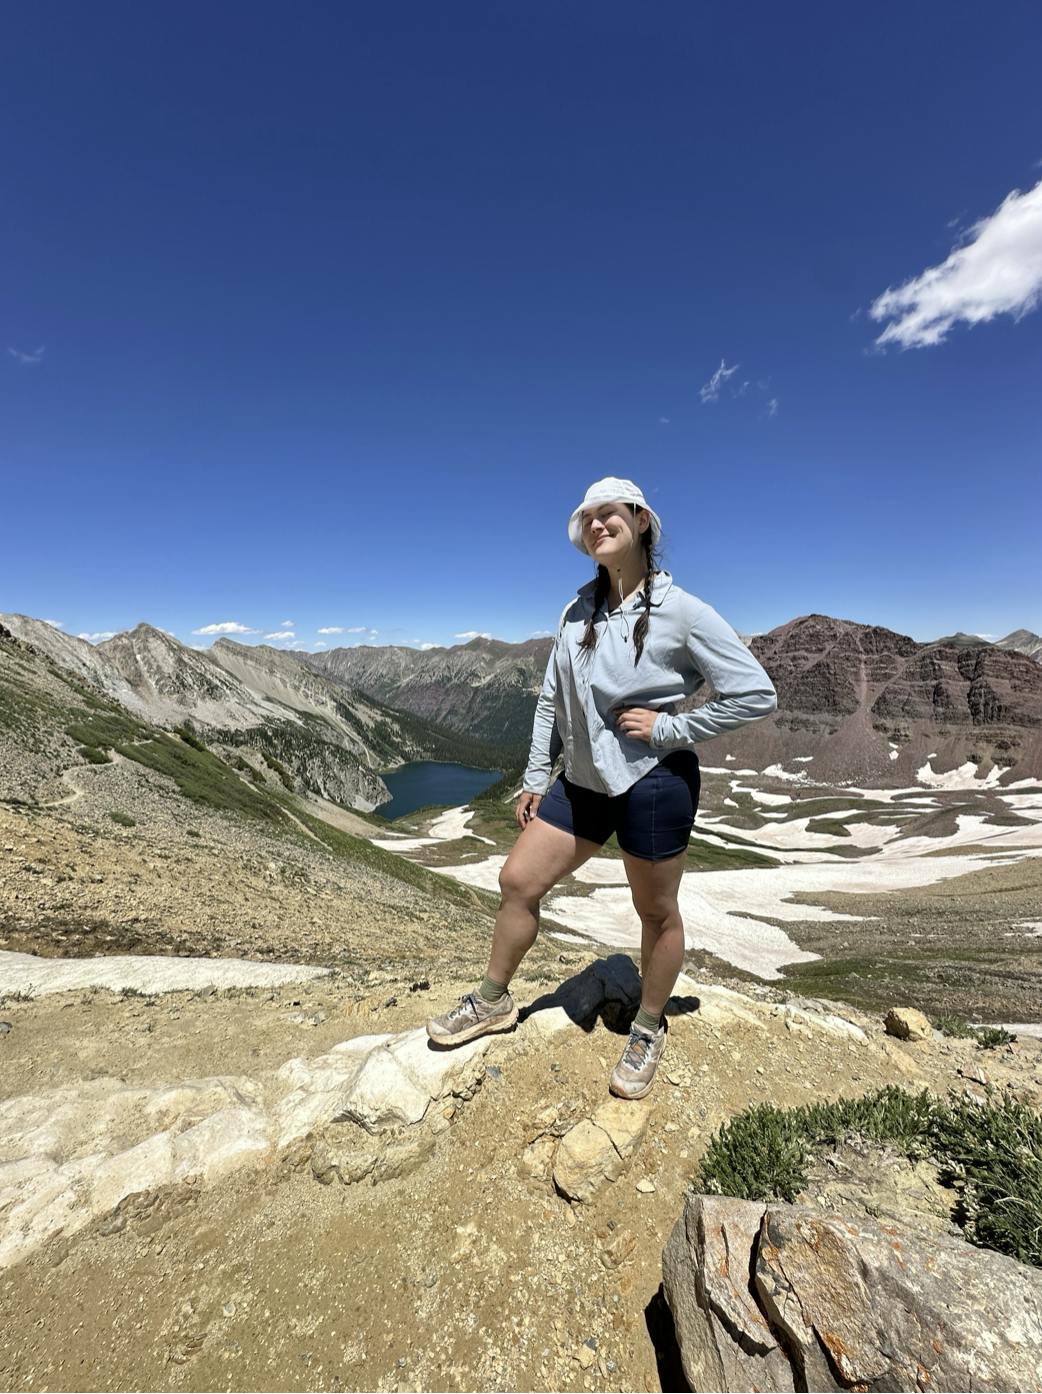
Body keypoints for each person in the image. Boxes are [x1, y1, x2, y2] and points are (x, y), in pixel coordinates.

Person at [426, 477, 778, 1099]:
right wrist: (537, 775)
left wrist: (671, 725)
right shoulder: (575, 610)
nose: (596, 525)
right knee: (517, 881)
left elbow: (755, 692)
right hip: (583, 782)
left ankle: (647, 1025)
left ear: (641, 521)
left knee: (656, 912)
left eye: (609, 514)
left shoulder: (685, 612)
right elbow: (550, 701)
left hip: (653, 781)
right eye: (587, 518)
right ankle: (492, 1001)